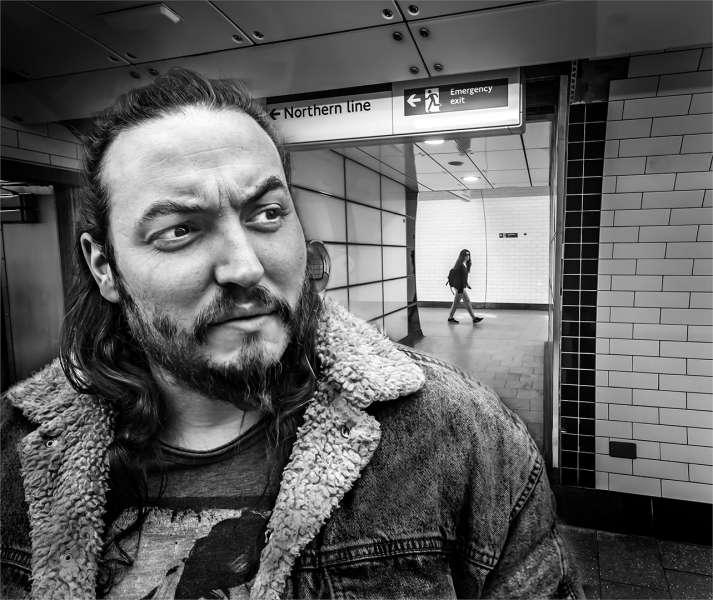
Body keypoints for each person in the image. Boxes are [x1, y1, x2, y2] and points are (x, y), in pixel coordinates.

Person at [0, 69, 582, 599]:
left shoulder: (461, 437)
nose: (245, 266)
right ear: (104, 266)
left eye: (267, 213)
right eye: (180, 230)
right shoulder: (16, 458)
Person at [448, 249, 484, 325]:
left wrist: (467, 284)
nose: (468, 256)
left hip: (460, 287)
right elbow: (458, 278)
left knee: (463, 301)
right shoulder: (460, 265)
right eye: (466, 255)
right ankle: (451, 318)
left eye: (468, 255)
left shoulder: (464, 264)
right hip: (459, 287)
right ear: (462, 256)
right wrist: (460, 289)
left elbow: (463, 277)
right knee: (459, 302)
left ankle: (473, 318)